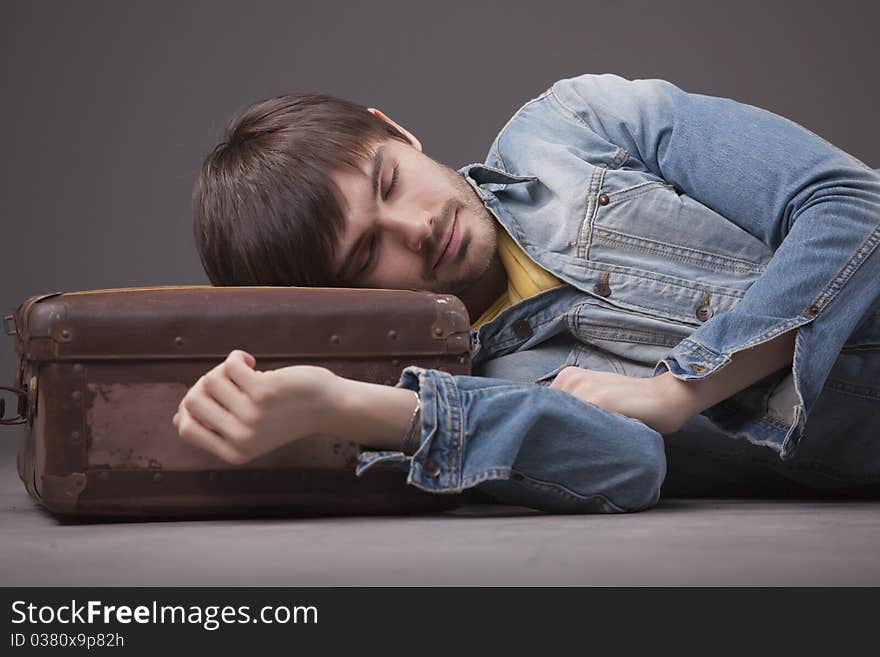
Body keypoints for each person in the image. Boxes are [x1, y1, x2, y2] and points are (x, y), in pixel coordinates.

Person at [174, 73, 880, 513]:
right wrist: (341, 404)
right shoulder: (477, 386)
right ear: (337, 300)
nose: (416, 227)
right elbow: (629, 466)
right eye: (366, 253)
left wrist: (681, 388)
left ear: (394, 131)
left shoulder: (572, 127)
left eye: (388, 180)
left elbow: (851, 204)